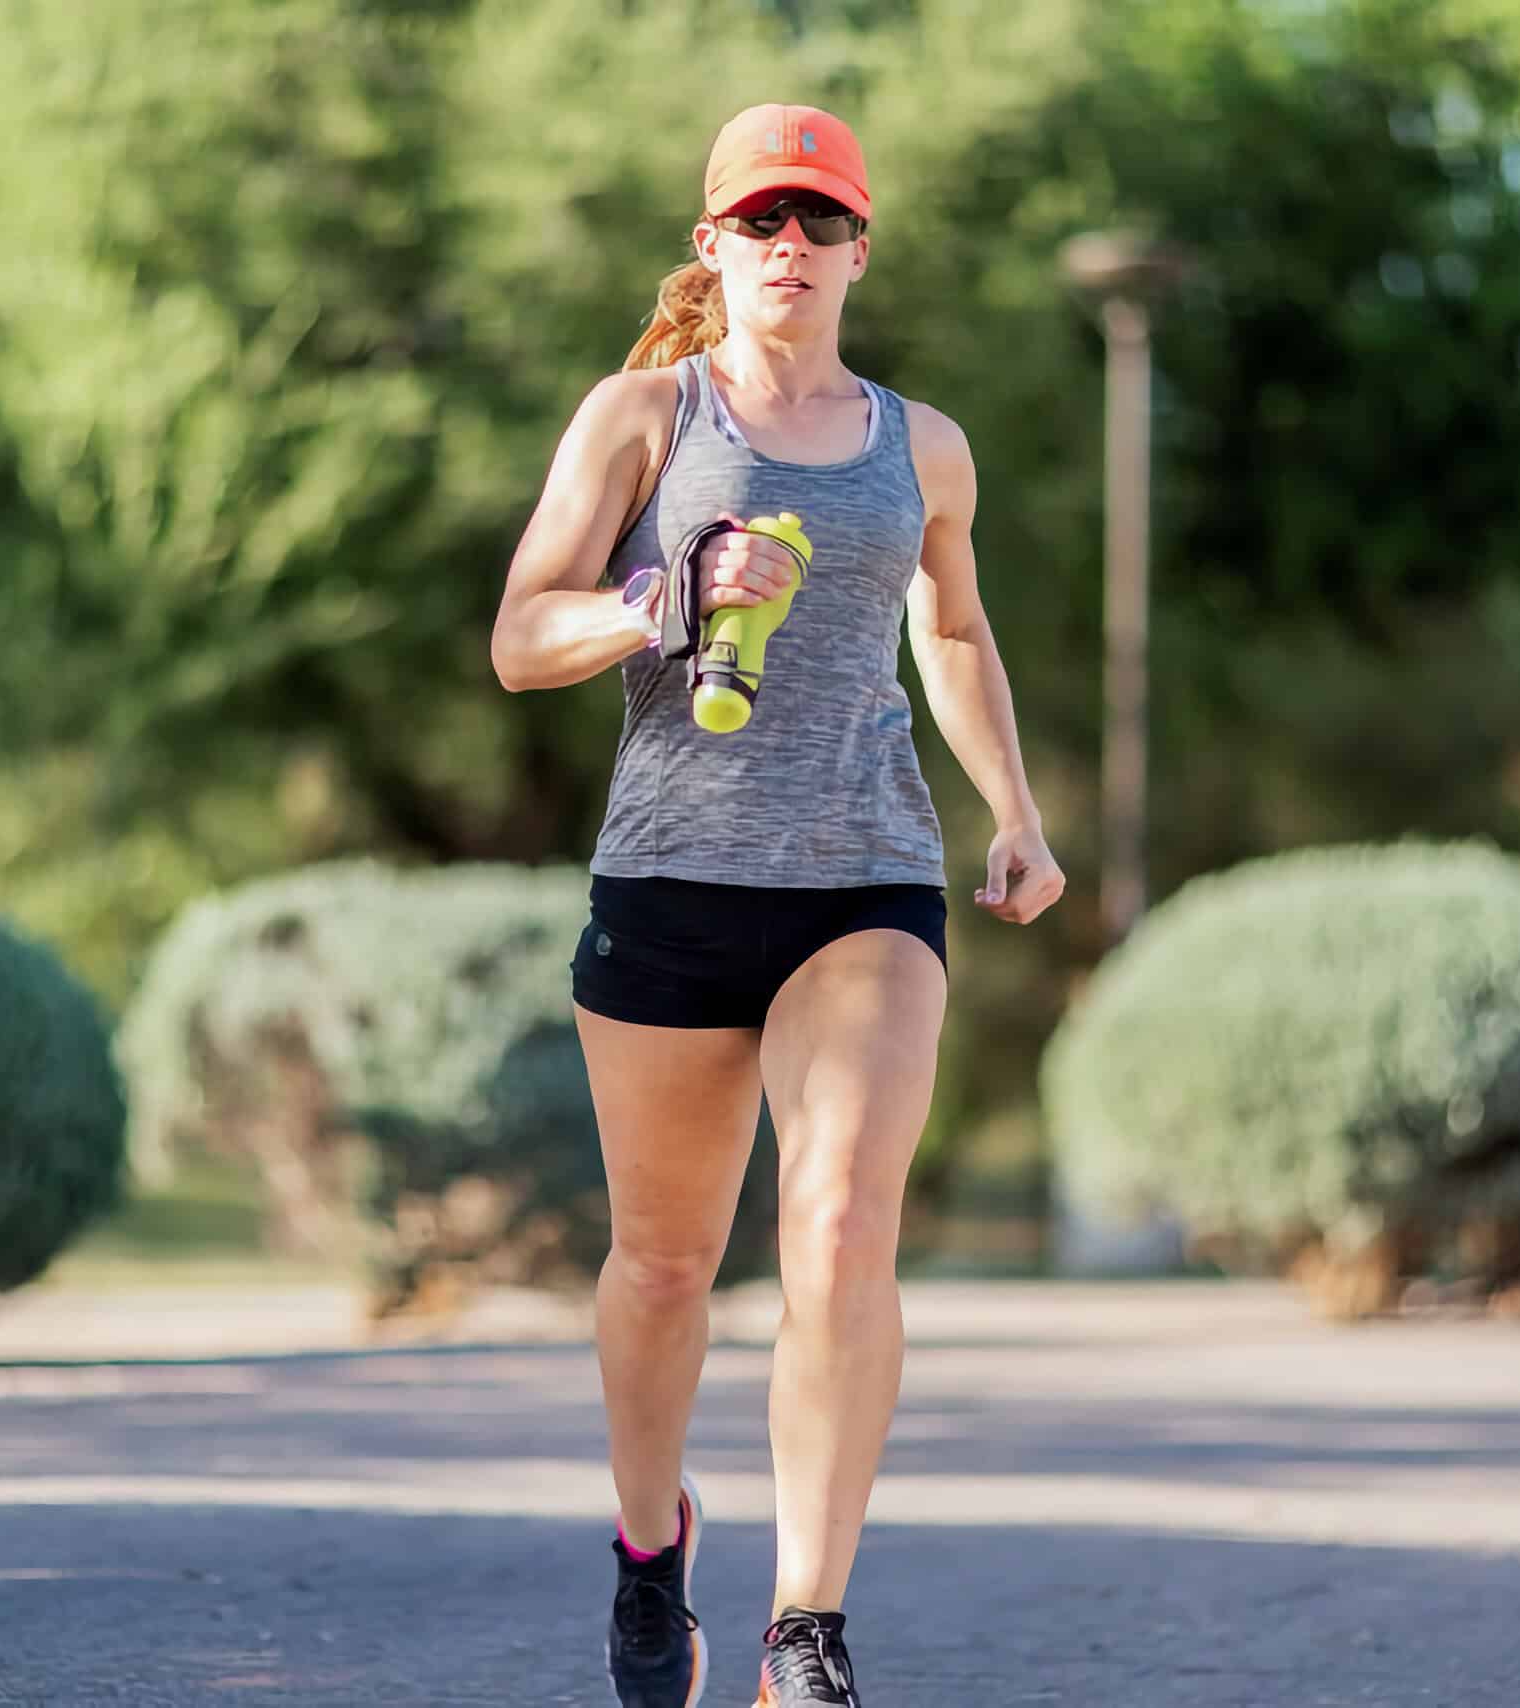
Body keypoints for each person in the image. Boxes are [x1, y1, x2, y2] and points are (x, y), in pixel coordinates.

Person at [489, 101, 1065, 1708]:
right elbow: (521, 635)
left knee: (836, 1231)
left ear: (862, 247)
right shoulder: (641, 417)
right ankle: (647, 1537)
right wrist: (663, 599)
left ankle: (805, 1628)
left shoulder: (922, 445)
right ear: (713, 248)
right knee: (665, 1270)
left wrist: (1014, 810)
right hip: (671, 883)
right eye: (761, 223)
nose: (790, 248)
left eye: (819, 223)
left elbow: (951, 630)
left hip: (863, 882)